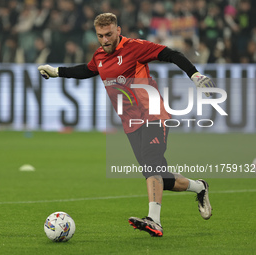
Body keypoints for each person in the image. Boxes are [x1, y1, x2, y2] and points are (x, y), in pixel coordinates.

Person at [38, 13, 214, 237]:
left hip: (153, 115)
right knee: (160, 176)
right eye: (101, 36)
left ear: (118, 31)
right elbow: (88, 70)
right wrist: (57, 72)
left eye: (109, 34)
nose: (105, 40)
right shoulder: (100, 56)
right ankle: (199, 187)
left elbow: (171, 54)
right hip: (131, 124)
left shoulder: (136, 48)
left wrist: (195, 75)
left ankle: (155, 221)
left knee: (151, 167)